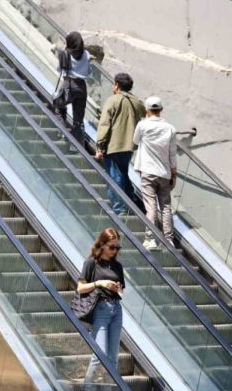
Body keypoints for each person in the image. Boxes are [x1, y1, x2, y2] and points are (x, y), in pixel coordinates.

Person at [76, 228, 126, 391]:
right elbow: (80, 288)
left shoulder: (117, 266)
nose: (115, 251)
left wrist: (116, 288)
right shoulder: (91, 263)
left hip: (116, 309)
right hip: (100, 309)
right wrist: (99, 283)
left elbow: (122, 291)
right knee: (100, 353)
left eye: (117, 247)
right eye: (112, 247)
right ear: (102, 245)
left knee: (113, 355)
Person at [95, 73, 146, 214]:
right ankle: (131, 199)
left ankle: (119, 208)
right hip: (129, 146)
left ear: (117, 85)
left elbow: (105, 124)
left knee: (114, 176)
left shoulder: (113, 100)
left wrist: (99, 145)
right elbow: (145, 112)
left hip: (114, 145)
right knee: (122, 172)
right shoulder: (136, 102)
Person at [133, 95, 177, 250]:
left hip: (147, 171)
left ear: (147, 109)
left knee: (150, 206)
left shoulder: (142, 125)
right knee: (166, 207)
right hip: (164, 172)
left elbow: (136, 141)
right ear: (161, 110)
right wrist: (174, 173)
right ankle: (168, 240)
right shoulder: (170, 128)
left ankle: (151, 238)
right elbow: (172, 153)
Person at [56, 31, 91, 144]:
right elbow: (89, 71)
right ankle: (77, 145)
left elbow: (59, 69)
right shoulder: (86, 54)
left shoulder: (65, 53)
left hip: (68, 84)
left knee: (59, 107)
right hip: (82, 87)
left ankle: (60, 134)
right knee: (78, 119)